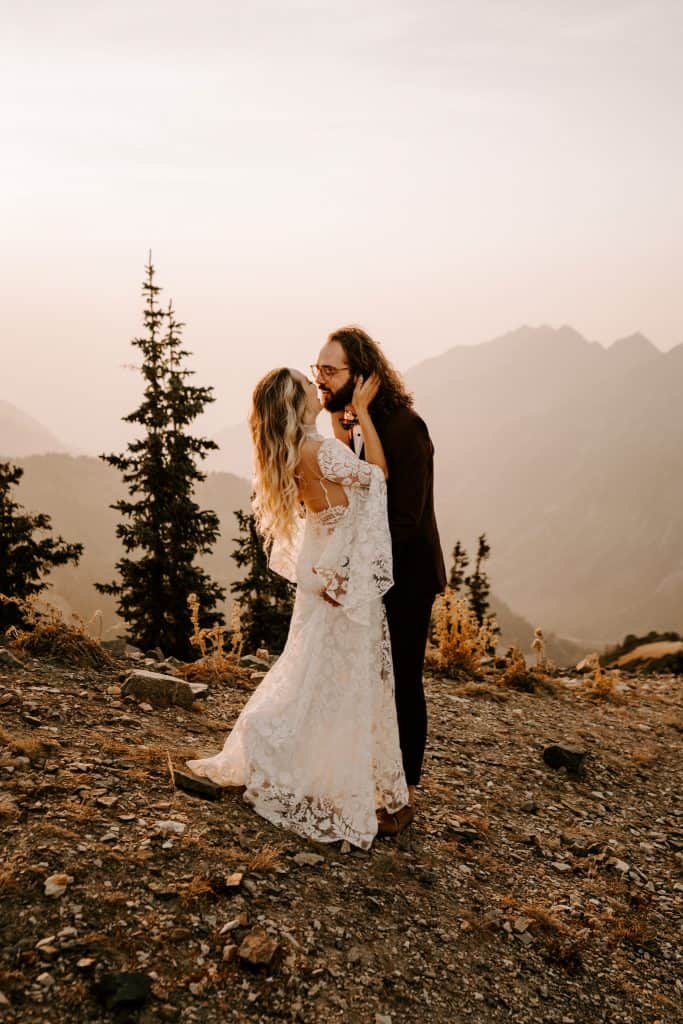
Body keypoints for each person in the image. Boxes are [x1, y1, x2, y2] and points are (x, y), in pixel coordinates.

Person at [185, 367, 409, 850]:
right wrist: (365, 413)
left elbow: (329, 509)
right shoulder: (320, 450)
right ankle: (297, 760)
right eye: (308, 384)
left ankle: (306, 761)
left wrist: (345, 432)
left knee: (314, 674)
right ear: (296, 403)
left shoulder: (294, 455)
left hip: (322, 581)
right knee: (342, 682)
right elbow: (377, 478)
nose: (316, 385)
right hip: (342, 582)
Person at [313, 326, 447, 835]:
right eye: (318, 369)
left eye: (331, 370)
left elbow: (404, 519)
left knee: (403, 684)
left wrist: (360, 572)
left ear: (363, 375)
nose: (321, 379)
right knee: (368, 680)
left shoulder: (407, 429)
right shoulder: (352, 423)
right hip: (371, 575)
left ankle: (404, 796)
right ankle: (370, 781)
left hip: (407, 579)